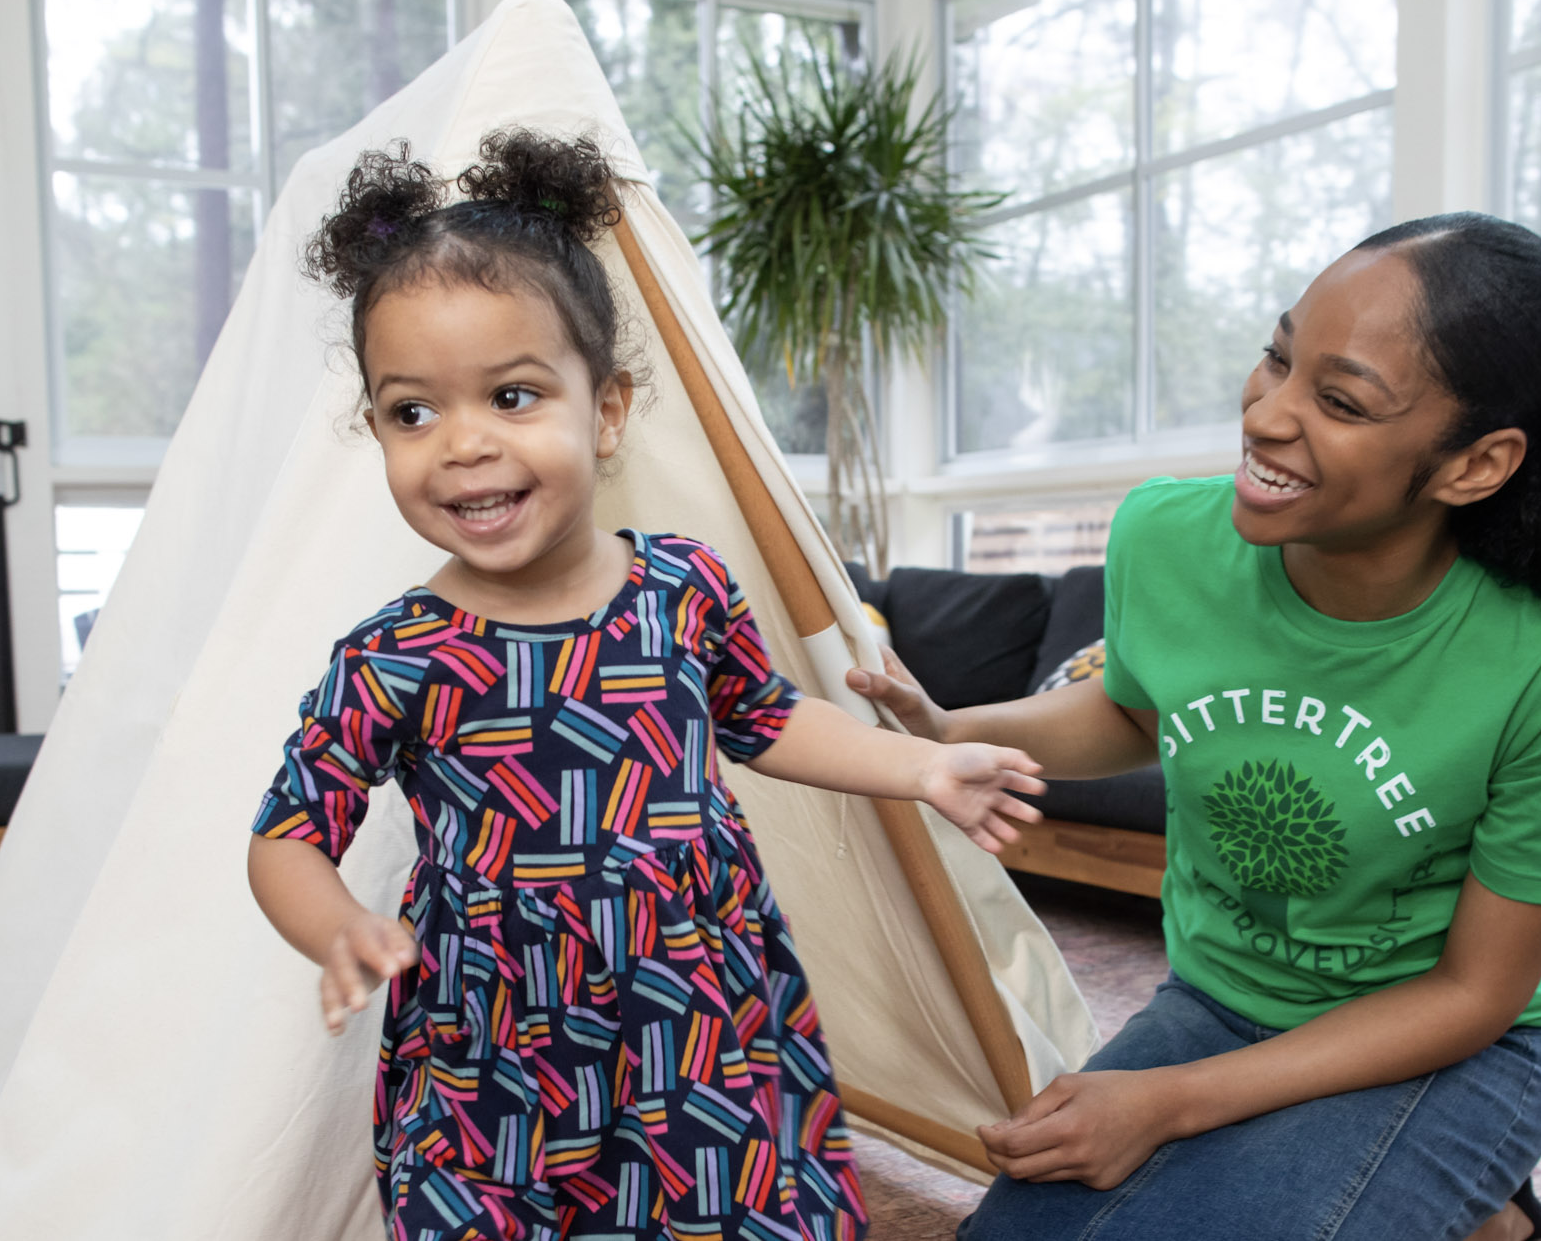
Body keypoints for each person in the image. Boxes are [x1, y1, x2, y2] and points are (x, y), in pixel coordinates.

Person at [847, 213, 1541, 1241]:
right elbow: (1132, 711)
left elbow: (1472, 993)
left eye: (1339, 400)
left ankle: (1480, 1191)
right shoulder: (1165, 536)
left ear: (1473, 463)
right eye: (1277, 355)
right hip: (1219, 1000)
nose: (1267, 414)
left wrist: (1166, 1102)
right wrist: (951, 727)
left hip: (1444, 1044)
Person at [245, 129, 1047, 1241]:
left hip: (697, 1021)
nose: (462, 445)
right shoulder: (394, 656)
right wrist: (333, 924)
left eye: (512, 396)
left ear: (607, 410)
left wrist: (923, 764)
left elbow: (768, 721)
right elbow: (285, 835)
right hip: (496, 1056)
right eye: (411, 412)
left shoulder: (680, 589)